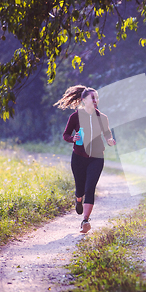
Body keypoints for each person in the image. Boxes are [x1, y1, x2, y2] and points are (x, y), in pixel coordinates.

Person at [54, 85, 116, 233]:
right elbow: (66, 135)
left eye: (97, 98)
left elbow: (107, 133)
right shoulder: (75, 116)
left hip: (96, 157)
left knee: (90, 188)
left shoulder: (103, 117)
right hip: (79, 157)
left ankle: (85, 220)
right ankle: (78, 199)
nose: (95, 100)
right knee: (80, 188)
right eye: (92, 98)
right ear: (84, 100)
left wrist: (110, 140)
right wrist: (73, 138)